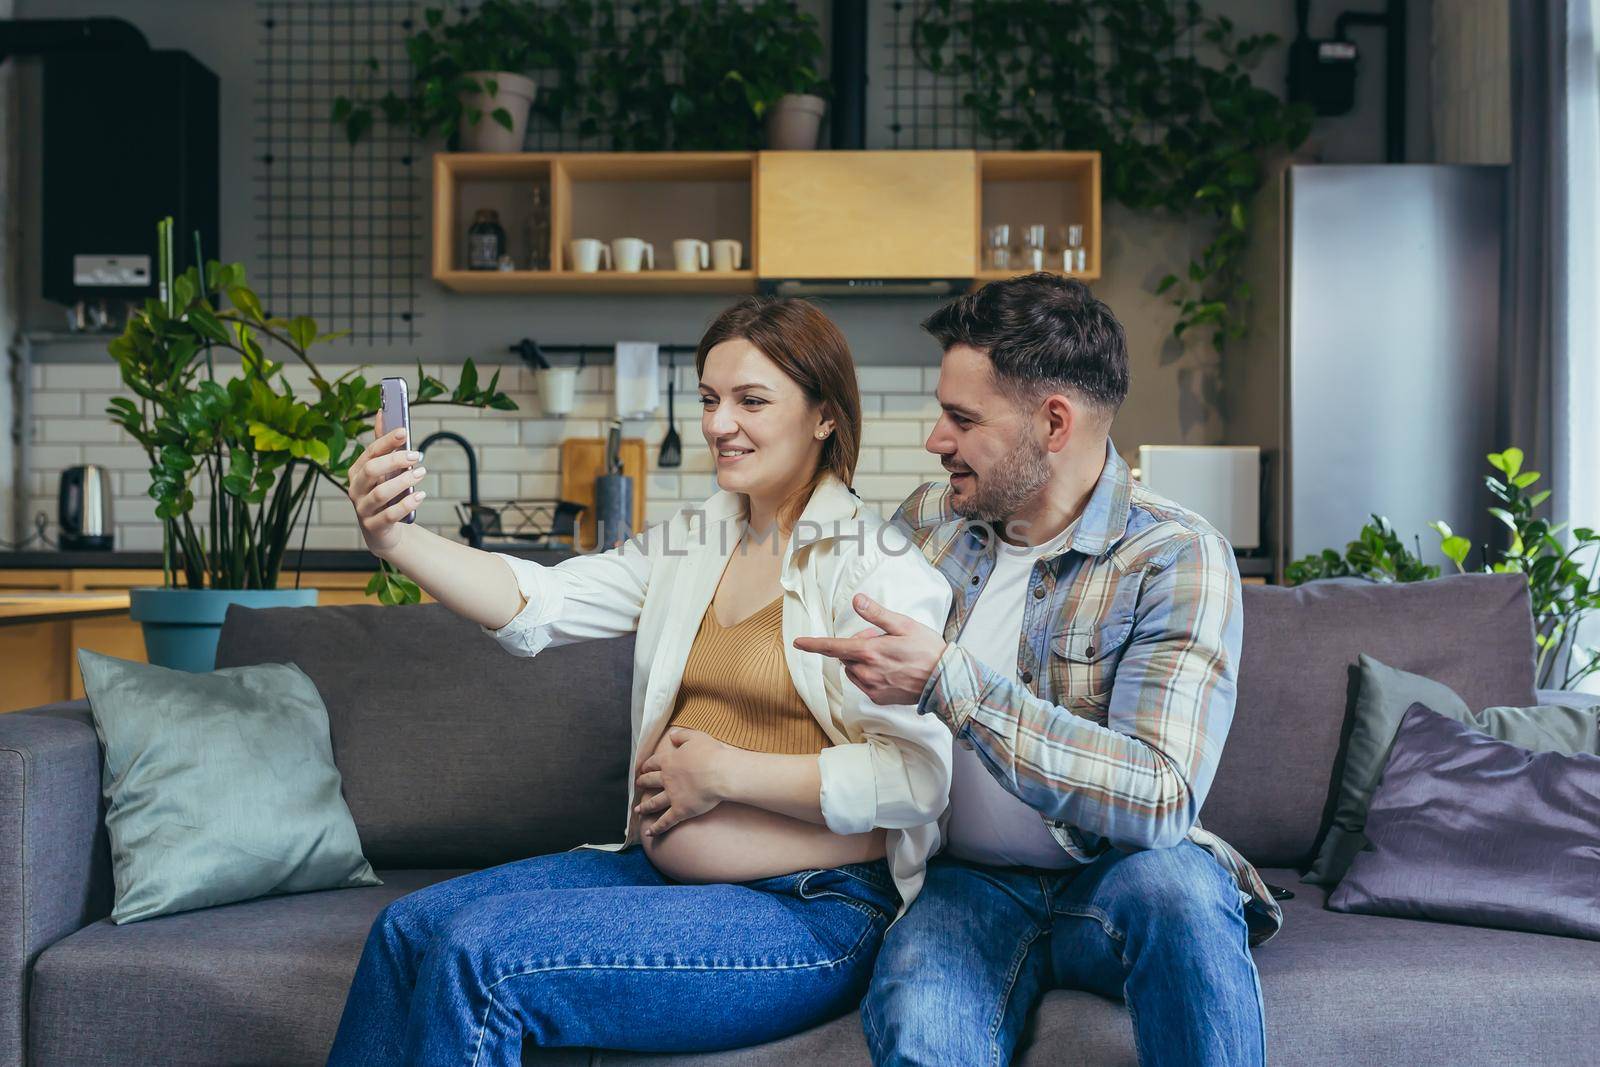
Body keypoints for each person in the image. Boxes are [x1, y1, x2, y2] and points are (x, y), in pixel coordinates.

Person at [326, 297, 953, 1066]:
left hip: (812, 910)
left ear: (825, 416)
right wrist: (395, 539)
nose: (721, 423)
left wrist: (725, 772)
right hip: (656, 874)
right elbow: (542, 600)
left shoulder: (875, 565)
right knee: (405, 931)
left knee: (480, 956)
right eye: (710, 400)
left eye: (752, 401)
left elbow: (919, 778)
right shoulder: (699, 537)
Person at [794, 274, 1284, 1066]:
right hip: (964, 884)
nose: (935, 440)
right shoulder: (928, 521)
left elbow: (1160, 793)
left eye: (961, 417)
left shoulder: (1174, 554)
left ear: (1053, 422)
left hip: (1114, 875)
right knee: (922, 1028)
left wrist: (948, 680)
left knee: (1183, 892)